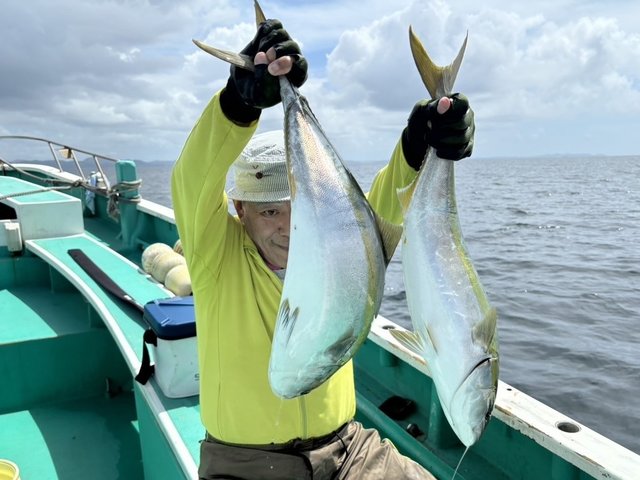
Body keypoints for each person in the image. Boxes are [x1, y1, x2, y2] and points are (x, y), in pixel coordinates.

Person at [171, 18, 474, 480]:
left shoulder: (338, 247)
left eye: (299, 209)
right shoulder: (216, 256)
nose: (289, 228)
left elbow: (378, 214)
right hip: (248, 464)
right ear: (239, 209)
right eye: (270, 212)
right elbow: (191, 181)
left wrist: (418, 144)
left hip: (349, 448)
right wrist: (237, 104)